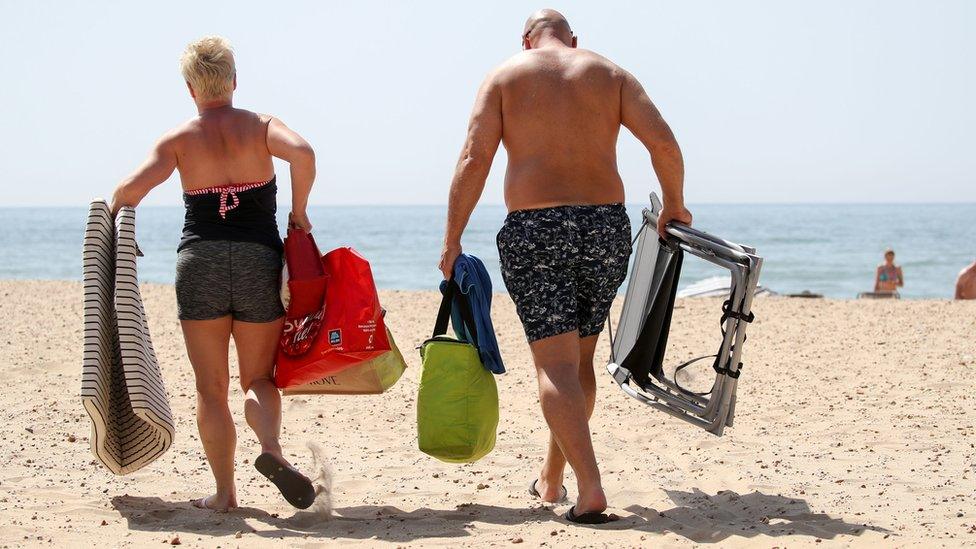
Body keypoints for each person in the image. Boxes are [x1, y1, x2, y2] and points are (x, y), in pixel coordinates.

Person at [438, 9, 690, 524]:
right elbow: (663, 141)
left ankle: (590, 488)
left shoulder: (505, 76)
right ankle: (553, 477)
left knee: (555, 365)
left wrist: (452, 238)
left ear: (526, 41)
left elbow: (473, 159)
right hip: (605, 228)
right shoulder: (609, 73)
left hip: (536, 230)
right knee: (579, 361)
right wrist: (674, 205)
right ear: (574, 40)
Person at [109, 36, 317, 511]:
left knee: (210, 389)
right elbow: (303, 153)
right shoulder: (262, 126)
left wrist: (118, 226)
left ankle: (224, 495)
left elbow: (129, 190)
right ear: (234, 81)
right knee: (258, 378)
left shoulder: (178, 139)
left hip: (199, 261)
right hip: (256, 261)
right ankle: (270, 450)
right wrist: (299, 213)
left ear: (190, 89)